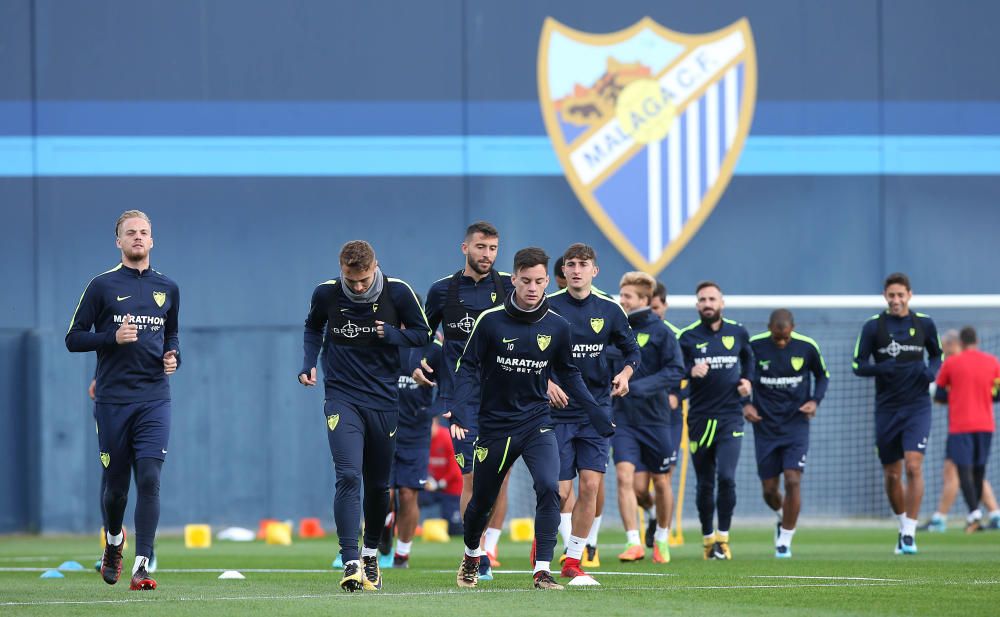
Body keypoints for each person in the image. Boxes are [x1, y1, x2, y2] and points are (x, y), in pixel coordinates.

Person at [451, 247, 613, 590]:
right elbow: (467, 368)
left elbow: (569, 374)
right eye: (526, 281)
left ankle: (542, 570)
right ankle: (470, 555)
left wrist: (596, 412)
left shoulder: (557, 325)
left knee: (550, 489)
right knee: (482, 500)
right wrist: (462, 411)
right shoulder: (491, 320)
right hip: (495, 426)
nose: (533, 288)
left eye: (539, 281)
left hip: (538, 422)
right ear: (514, 280)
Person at [299, 240, 431, 592]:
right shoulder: (326, 294)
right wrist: (308, 363)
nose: (357, 287)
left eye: (363, 280)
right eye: (350, 280)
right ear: (341, 270)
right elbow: (313, 328)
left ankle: (371, 553)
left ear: (375, 267)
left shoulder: (397, 293)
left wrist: (391, 334)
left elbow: (423, 333)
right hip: (342, 397)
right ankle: (351, 559)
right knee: (347, 474)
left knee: (378, 486)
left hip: (384, 400)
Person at [66, 210, 180, 591]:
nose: (137, 237)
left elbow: (173, 335)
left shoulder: (168, 287)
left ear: (152, 240)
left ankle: (143, 565)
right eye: (130, 233)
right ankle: (114, 543)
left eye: (144, 232)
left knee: (149, 478)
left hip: (154, 398)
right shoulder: (101, 286)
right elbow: (74, 338)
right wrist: (110, 337)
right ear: (118, 241)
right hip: (113, 400)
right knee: (116, 487)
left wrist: (174, 356)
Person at [415, 221, 514, 577]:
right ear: (465, 248)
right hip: (461, 399)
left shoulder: (508, 288)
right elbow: (423, 335)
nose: (486, 255)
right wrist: (417, 362)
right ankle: (475, 553)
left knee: (499, 478)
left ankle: (489, 547)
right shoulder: (442, 290)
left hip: (504, 398)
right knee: (471, 475)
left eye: (492, 248)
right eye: (480, 247)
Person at [546, 244, 640, 580]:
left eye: (583, 264)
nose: (576, 270)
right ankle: (543, 544)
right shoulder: (548, 307)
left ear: (594, 271)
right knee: (558, 492)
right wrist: (546, 383)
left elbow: (633, 351)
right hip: (557, 413)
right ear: (564, 271)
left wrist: (625, 374)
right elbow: (531, 351)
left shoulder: (611, 310)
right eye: (570, 264)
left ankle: (573, 560)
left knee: (590, 487)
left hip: (597, 411)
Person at [852, 272, 942, 554]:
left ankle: (910, 534)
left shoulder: (924, 324)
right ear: (885, 296)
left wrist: (931, 372)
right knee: (892, 474)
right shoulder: (873, 327)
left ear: (910, 295)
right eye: (891, 295)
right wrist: (880, 368)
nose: (896, 300)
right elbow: (858, 364)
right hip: (887, 408)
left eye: (901, 295)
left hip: (917, 406)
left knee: (914, 466)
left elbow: (937, 355)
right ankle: (902, 524)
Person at [609, 272, 684, 564]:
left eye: (627, 296)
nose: (622, 300)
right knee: (625, 479)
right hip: (624, 419)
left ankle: (662, 538)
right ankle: (633, 542)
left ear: (643, 300)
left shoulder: (663, 332)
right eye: (622, 294)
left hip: (656, 420)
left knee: (660, 482)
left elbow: (676, 370)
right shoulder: (616, 329)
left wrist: (637, 387)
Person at [677, 281, 753, 560]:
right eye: (702, 300)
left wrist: (748, 383)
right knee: (705, 482)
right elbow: (675, 371)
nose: (707, 304)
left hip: (731, 417)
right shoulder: (686, 338)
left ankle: (724, 538)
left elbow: (749, 362)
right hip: (699, 419)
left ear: (722, 303)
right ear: (697, 305)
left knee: (727, 478)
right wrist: (689, 370)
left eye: (712, 299)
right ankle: (708, 539)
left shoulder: (738, 332)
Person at [745, 309, 829, 558]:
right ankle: (782, 516)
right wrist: (745, 404)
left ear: (793, 327)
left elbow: (822, 376)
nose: (781, 341)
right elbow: (739, 378)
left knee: (793, 479)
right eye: (777, 337)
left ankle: (785, 541)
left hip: (796, 425)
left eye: (785, 337)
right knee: (769, 490)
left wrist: (815, 400)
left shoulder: (807, 347)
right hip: (765, 427)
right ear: (769, 327)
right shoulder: (754, 347)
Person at [922, 330, 1000, 532]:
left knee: (964, 472)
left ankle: (974, 514)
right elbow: (997, 393)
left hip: (961, 426)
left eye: (947, 348)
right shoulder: (992, 362)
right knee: (966, 470)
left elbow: (939, 395)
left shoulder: (953, 364)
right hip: (985, 425)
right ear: (977, 340)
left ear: (958, 344)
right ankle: (991, 514)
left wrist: (956, 396)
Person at [388, 338, 443, 567]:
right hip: (384, 429)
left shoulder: (432, 348)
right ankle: (380, 534)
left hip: (416, 433)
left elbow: (449, 387)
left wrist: (430, 412)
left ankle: (402, 553)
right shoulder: (383, 342)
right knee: (384, 494)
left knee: (408, 494)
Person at [643, 280, 686, 549]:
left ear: (664, 307)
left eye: (656, 307)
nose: (653, 311)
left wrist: (678, 396)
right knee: (636, 487)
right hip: (635, 416)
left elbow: (689, 374)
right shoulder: (631, 332)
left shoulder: (675, 336)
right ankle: (651, 514)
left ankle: (662, 536)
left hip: (667, 418)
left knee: (663, 478)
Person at [423, 418, 464, 534]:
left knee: (455, 530)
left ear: (435, 423)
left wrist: (439, 484)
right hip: (431, 486)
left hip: (451, 489)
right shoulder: (423, 439)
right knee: (407, 495)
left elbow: (456, 470)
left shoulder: (447, 438)